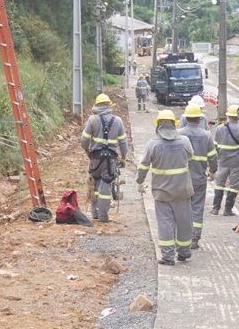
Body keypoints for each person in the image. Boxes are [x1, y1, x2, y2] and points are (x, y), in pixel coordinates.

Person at [136, 110, 195, 265]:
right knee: (184, 222)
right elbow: (190, 155)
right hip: (182, 191)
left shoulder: (153, 144)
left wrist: (139, 181)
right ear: (174, 125)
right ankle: (184, 252)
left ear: (158, 125)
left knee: (165, 223)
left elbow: (143, 166)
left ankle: (168, 257)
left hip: (162, 193)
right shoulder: (184, 141)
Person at [80, 93, 128, 223]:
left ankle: (95, 213)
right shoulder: (117, 121)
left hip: (95, 159)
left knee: (95, 185)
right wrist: (123, 157)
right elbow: (123, 142)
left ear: (96, 106)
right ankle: (103, 216)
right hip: (110, 160)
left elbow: (84, 140)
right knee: (106, 188)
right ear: (109, 106)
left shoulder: (92, 120)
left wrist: (87, 151)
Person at [178, 104, 218, 249]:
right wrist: (213, 171)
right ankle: (194, 240)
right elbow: (213, 157)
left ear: (186, 118)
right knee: (197, 209)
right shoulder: (206, 135)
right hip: (199, 179)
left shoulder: (179, 134)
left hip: (182, 180)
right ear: (199, 119)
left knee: (182, 209)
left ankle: (182, 238)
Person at [211, 105, 239, 216]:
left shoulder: (219, 128)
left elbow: (215, 146)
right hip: (236, 162)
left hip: (222, 160)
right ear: (238, 116)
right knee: (234, 186)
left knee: (219, 184)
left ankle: (215, 208)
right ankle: (228, 210)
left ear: (228, 116)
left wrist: (217, 158)